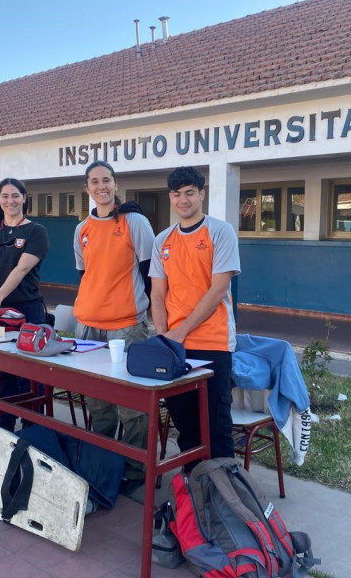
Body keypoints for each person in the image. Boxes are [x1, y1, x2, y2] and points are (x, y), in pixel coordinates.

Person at [150, 166, 241, 469]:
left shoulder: (220, 231)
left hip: (212, 343)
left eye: (190, 192)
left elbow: (218, 290)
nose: (183, 199)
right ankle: (195, 490)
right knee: (186, 426)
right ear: (170, 198)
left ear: (202, 194)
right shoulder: (163, 239)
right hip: (174, 347)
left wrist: (180, 331)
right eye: (177, 194)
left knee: (216, 427)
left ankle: (225, 496)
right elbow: (158, 294)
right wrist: (164, 336)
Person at [73, 160, 155, 493]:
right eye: (94, 181)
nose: (101, 186)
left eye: (106, 180)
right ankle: (105, 463)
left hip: (128, 325)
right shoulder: (81, 230)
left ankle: (136, 473)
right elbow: (85, 276)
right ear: (87, 188)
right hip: (89, 326)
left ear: (116, 185)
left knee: (132, 404)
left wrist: (151, 318)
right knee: (98, 400)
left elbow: (151, 274)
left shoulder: (135, 222)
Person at [0, 177, 50, 431]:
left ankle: (32, 427)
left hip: (27, 310)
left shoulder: (36, 231)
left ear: (24, 198)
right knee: (3, 370)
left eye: (15, 195)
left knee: (29, 372)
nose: (10, 201)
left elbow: (22, 268)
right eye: (5, 196)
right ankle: (2, 426)